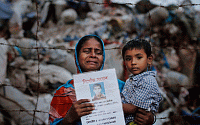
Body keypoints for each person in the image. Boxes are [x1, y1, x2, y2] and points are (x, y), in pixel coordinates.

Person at [49, 35, 155, 125]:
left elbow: (141, 112)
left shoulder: (123, 87)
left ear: (103, 58)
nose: (93, 55)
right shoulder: (63, 94)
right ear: (76, 56)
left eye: (98, 52)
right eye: (86, 51)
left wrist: (149, 119)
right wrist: (68, 119)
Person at [121, 39, 163, 125]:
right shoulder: (131, 80)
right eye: (128, 59)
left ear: (149, 59)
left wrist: (112, 105)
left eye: (139, 57)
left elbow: (133, 108)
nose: (133, 62)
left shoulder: (147, 80)